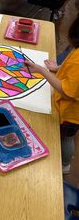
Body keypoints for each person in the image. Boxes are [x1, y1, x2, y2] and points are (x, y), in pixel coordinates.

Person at [25, 16, 79, 174]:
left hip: (70, 114)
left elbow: (67, 91)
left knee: (65, 139)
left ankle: (65, 164)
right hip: (69, 107)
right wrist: (59, 67)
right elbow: (72, 63)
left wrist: (42, 71)